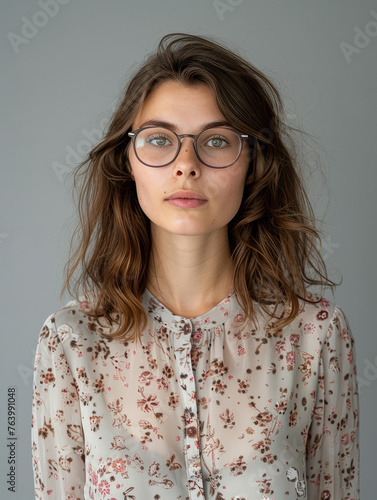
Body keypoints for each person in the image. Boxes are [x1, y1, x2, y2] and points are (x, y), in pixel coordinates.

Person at [31, 32, 360, 500]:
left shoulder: (316, 336)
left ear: (253, 162)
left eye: (217, 141)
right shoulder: (71, 342)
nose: (186, 164)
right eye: (160, 140)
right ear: (129, 160)